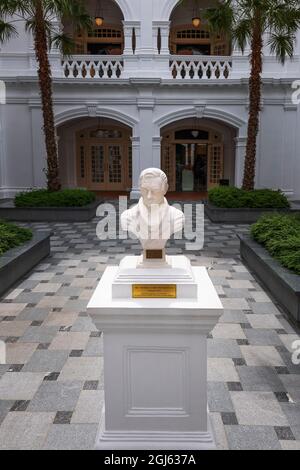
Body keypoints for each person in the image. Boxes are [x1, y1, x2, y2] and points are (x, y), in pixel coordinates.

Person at [121, 168, 184, 250]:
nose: (149, 196)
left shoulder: (177, 217)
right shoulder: (127, 217)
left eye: (155, 190)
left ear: (165, 189)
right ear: (140, 188)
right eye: (145, 190)